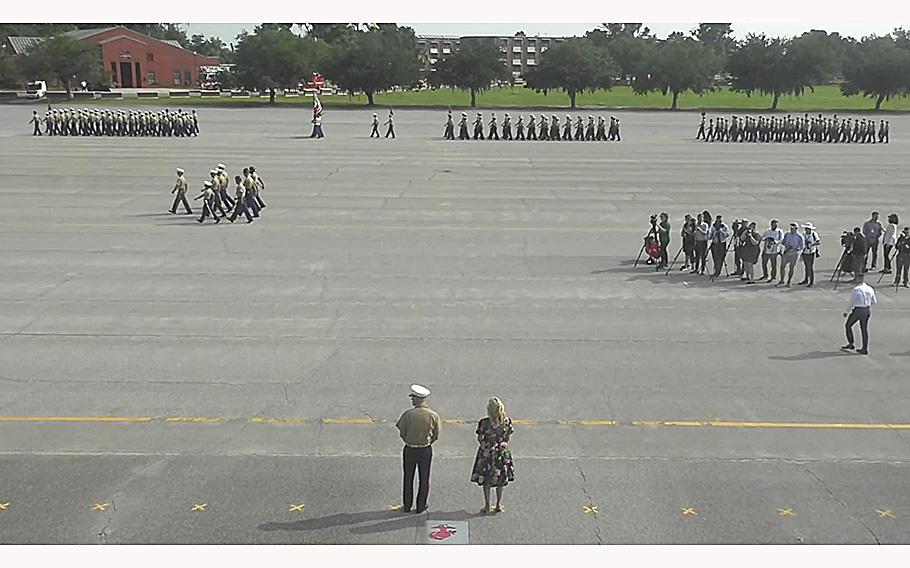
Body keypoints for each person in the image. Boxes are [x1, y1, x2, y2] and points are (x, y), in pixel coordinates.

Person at [395, 384, 440, 514]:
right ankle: (421, 506)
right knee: (424, 478)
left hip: (410, 448)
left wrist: (409, 439)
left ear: (417, 399)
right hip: (425, 449)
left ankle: (407, 505)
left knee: (408, 477)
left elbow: (402, 432)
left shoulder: (408, 414)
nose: (412, 400)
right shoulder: (433, 415)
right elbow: (436, 435)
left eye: (413, 397)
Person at [471, 396, 515, 514]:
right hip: (501, 452)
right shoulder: (507, 421)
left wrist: (485, 444)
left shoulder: (484, 423)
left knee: (486, 479)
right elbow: (507, 437)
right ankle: (498, 504)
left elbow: (480, 438)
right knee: (500, 479)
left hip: (487, 453)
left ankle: (487, 505)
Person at [842, 273, 876, 355]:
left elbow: (852, 302)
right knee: (864, 329)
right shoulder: (870, 288)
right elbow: (874, 301)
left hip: (858, 309)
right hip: (867, 309)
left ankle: (851, 343)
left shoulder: (856, 289)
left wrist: (847, 312)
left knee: (848, 325)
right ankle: (865, 348)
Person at [777, 222, 804, 287]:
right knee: (782, 266)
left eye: (793, 228)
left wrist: (796, 248)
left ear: (796, 229)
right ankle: (782, 280)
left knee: (791, 268)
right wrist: (786, 245)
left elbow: (801, 246)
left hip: (794, 254)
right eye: (791, 228)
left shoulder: (799, 236)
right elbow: (783, 242)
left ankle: (789, 281)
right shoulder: (787, 234)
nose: (791, 230)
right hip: (786, 252)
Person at [799, 222, 820, 287]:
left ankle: (811, 281)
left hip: (811, 252)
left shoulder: (814, 234)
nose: (807, 230)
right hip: (805, 252)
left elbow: (818, 242)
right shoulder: (803, 234)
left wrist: (812, 245)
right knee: (806, 266)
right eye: (806, 228)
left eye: (808, 229)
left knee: (810, 267)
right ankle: (806, 279)